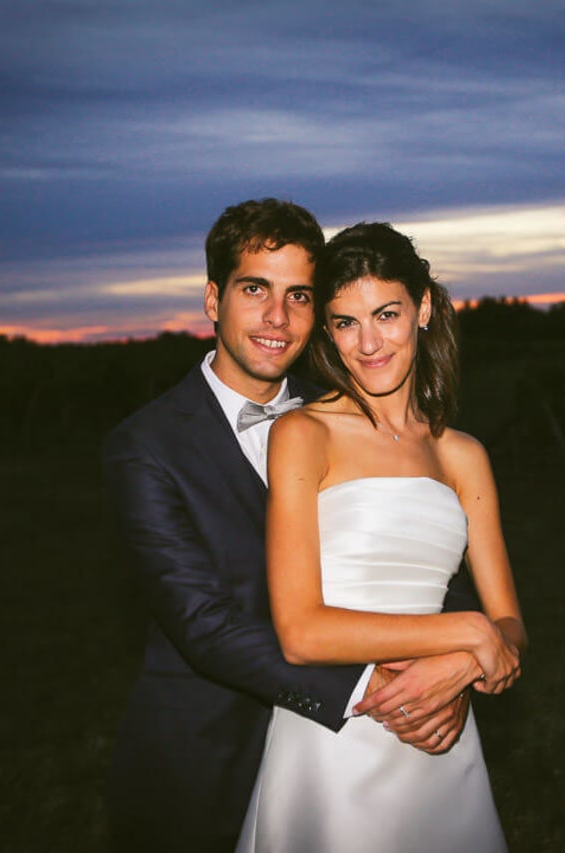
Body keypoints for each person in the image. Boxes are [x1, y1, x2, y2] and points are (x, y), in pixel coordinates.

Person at [102, 200, 481, 852]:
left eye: (299, 295)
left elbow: (428, 554)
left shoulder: (352, 413)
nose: (277, 318)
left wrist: (450, 669)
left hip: (369, 761)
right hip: (211, 760)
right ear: (213, 299)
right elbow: (206, 624)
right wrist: (381, 688)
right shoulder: (145, 446)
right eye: (255, 289)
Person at [236, 222, 527, 852]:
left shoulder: (463, 455)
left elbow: (510, 628)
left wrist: (457, 667)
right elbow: (302, 632)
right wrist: (467, 633)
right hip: (335, 742)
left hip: (439, 731)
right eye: (344, 322)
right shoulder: (303, 434)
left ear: (422, 308)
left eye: (387, 314)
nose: (368, 343)